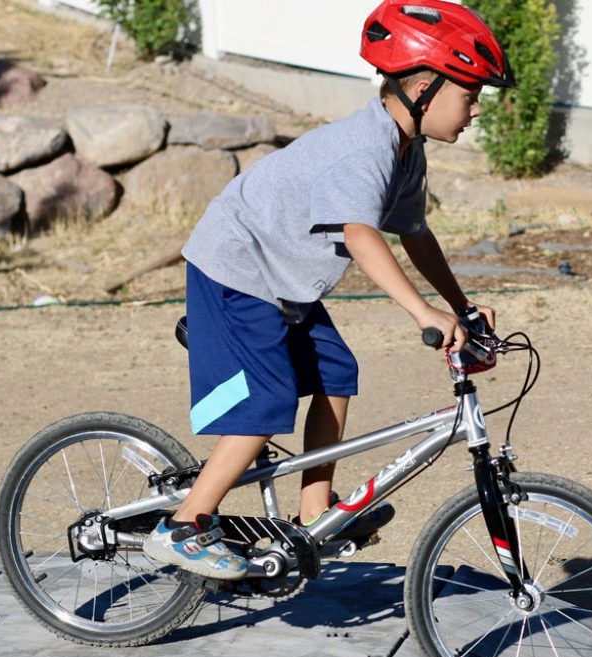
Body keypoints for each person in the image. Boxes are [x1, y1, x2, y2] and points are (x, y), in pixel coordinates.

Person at [143, 0, 517, 579]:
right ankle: (185, 525)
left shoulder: (405, 151)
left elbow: (414, 233)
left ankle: (314, 511)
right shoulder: (364, 149)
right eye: (469, 96)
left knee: (335, 373)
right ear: (423, 86)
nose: (474, 111)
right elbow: (362, 236)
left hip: (280, 277)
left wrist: (461, 307)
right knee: (267, 400)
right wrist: (421, 313)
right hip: (238, 268)